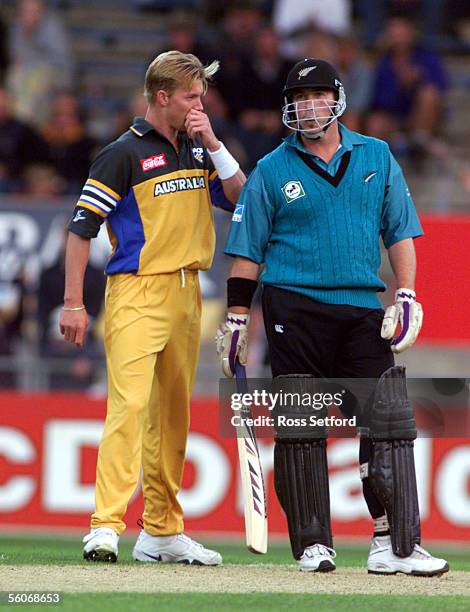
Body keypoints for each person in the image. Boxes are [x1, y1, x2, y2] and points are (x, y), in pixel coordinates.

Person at [216, 58, 449, 576]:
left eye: (318, 95)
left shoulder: (378, 155)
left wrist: (407, 294)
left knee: (386, 423)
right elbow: (247, 251)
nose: (308, 105)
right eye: (299, 97)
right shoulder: (272, 168)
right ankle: (313, 544)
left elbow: (400, 232)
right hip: (292, 307)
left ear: (337, 99)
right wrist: (236, 318)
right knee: (301, 425)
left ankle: (394, 544)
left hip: (363, 307)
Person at [60, 50, 245, 564]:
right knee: (130, 408)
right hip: (137, 292)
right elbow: (80, 231)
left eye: (202, 96)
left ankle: (162, 530)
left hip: (188, 292)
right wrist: (74, 303)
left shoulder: (198, 149)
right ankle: (104, 526)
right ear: (162, 97)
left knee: (173, 417)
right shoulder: (121, 154)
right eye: (191, 97)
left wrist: (212, 140)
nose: (200, 105)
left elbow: (240, 197)